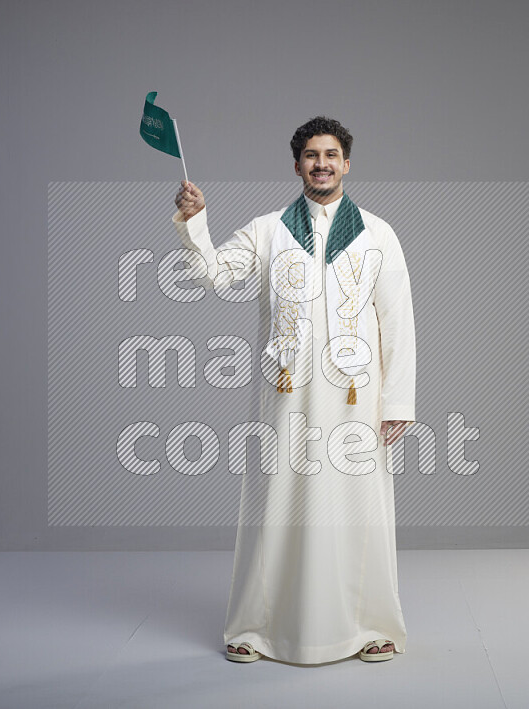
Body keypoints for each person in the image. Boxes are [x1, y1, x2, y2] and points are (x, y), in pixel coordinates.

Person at [172, 116, 416, 664]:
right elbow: (215, 274)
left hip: (357, 398)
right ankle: (257, 628)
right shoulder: (268, 230)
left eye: (331, 155)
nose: (322, 164)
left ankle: (370, 626)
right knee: (275, 506)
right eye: (311, 155)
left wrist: (397, 401)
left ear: (347, 163)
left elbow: (397, 321)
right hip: (286, 397)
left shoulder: (378, 234)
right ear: (297, 165)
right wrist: (195, 223)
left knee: (360, 508)